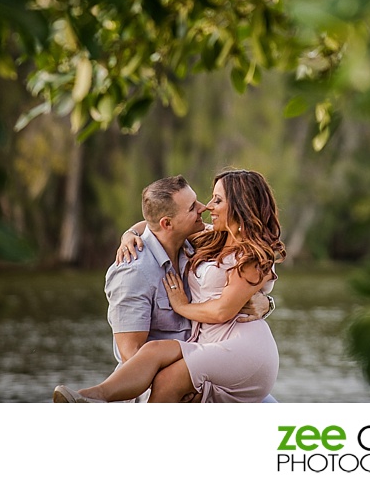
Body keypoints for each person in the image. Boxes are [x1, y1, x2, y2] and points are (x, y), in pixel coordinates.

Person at [53, 171, 282, 402]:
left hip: (238, 348)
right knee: (156, 358)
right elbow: (130, 354)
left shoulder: (244, 253)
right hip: (194, 353)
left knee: (171, 379)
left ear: (240, 206)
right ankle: (91, 398)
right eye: (194, 206)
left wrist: (181, 305)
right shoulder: (141, 266)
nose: (206, 207)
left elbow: (223, 310)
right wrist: (130, 233)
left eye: (217, 200)